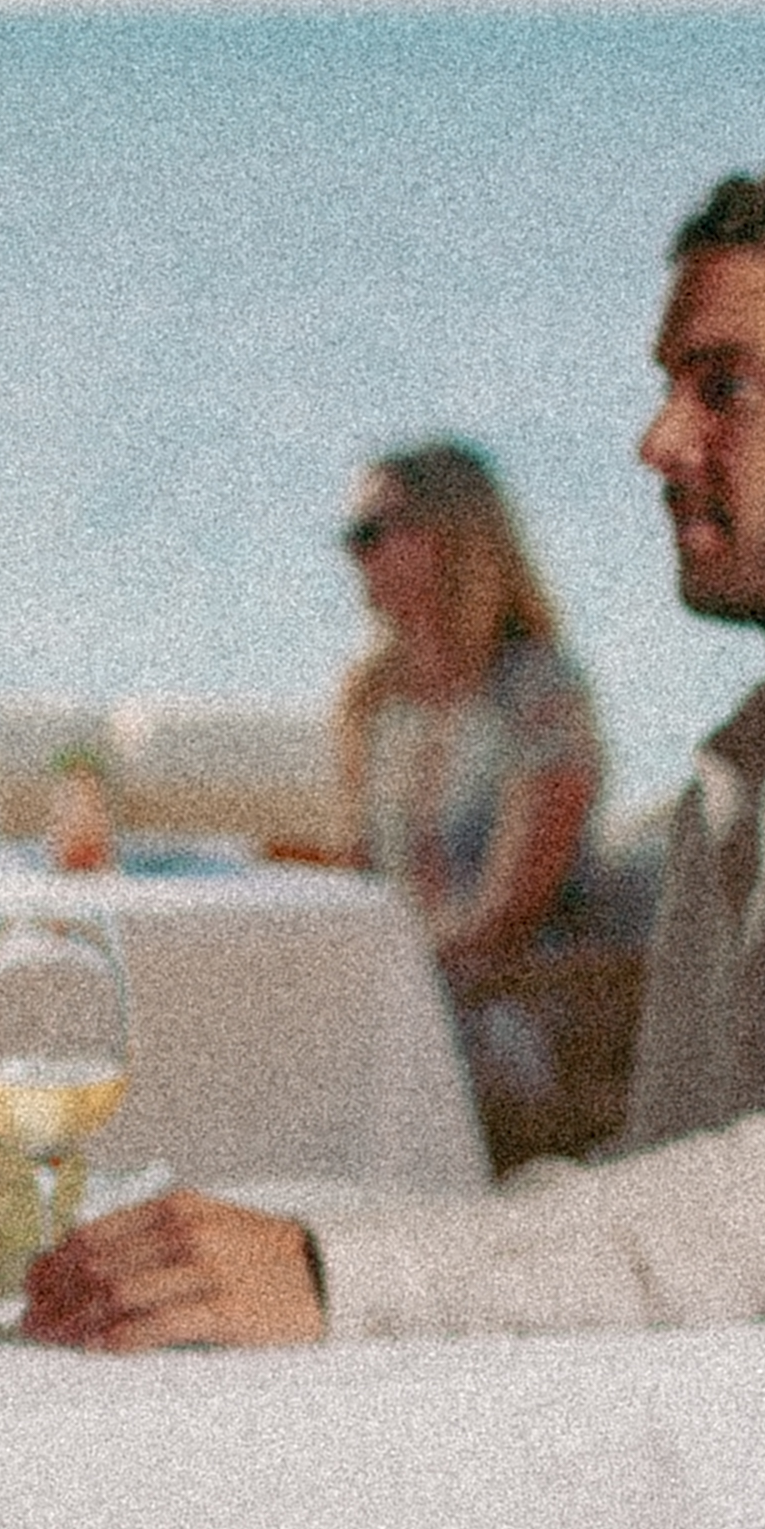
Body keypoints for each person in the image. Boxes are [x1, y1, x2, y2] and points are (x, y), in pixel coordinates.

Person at [34, 167, 765, 1483]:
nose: (658, 440)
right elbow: (670, 1181)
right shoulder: (755, 779)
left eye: (722, 386)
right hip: (716, 1467)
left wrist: (338, 1275)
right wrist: (290, 1248)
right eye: (666, 386)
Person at [335, 441, 618, 1147]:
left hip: (515, 1004)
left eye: (373, 532)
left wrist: (387, 984)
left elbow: (506, 917)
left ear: (451, 536)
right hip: (405, 996)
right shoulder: (372, 700)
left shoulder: (536, 691)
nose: (356, 555)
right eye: (352, 537)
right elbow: (363, 882)